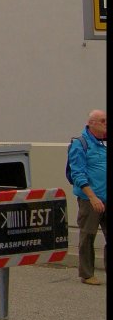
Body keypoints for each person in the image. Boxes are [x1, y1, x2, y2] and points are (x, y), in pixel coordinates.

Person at [68, 109, 107, 285]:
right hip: (90, 199)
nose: (106, 124)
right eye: (103, 121)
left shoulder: (104, 143)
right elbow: (78, 174)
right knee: (88, 236)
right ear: (91, 123)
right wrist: (92, 197)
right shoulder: (80, 144)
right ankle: (87, 274)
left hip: (105, 197)